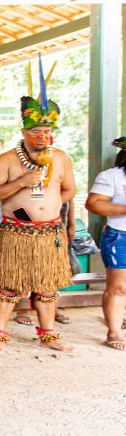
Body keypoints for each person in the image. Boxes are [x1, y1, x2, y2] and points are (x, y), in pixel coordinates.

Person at [0, 66, 76, 355]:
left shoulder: (60, 158)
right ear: (23, 131)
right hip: (16, 232)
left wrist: (55, 207)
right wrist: (22, 182)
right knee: (9, 287)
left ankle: (48, 334)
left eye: (47, 131)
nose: (43, 136)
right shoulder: (7, 161)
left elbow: (70, 189)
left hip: (49, 232)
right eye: (36, 131)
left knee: (47, 286)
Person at [85, 137, 126, 351]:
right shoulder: (112, 176)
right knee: (119, 287)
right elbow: (93, 204)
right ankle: (114, 331)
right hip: (121, 235)